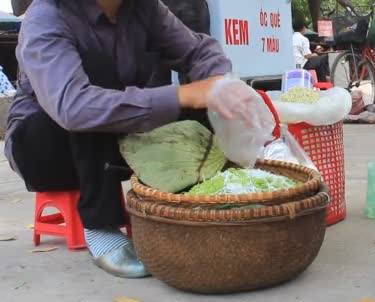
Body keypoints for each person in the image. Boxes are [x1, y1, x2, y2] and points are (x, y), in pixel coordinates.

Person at [4, 0, 265, 279]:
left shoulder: (144, 8)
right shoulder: (47, 16)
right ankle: (101, 226)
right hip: (43, 149)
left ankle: (203, 206)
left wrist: (221, 86)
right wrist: (183, 94)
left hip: (110, 147)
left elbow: (197, 50)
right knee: (97, 98)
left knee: (197, 109)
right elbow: (73, 108)